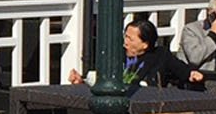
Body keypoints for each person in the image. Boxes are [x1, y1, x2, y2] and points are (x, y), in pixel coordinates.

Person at [69, 19, 204, 88]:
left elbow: (182, 70)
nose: (125, 41)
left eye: (130, 39)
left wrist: (192, 74)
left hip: (147, 109)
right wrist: (82, 81)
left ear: (145, 44)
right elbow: (99, 78)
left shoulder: (160, 55)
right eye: (125, 36)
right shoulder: (116, 54)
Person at [175, 0, 216, 72]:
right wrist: (212, 34)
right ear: (212, 15)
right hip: (196, 79)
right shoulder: (191, 30)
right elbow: (194, 59)